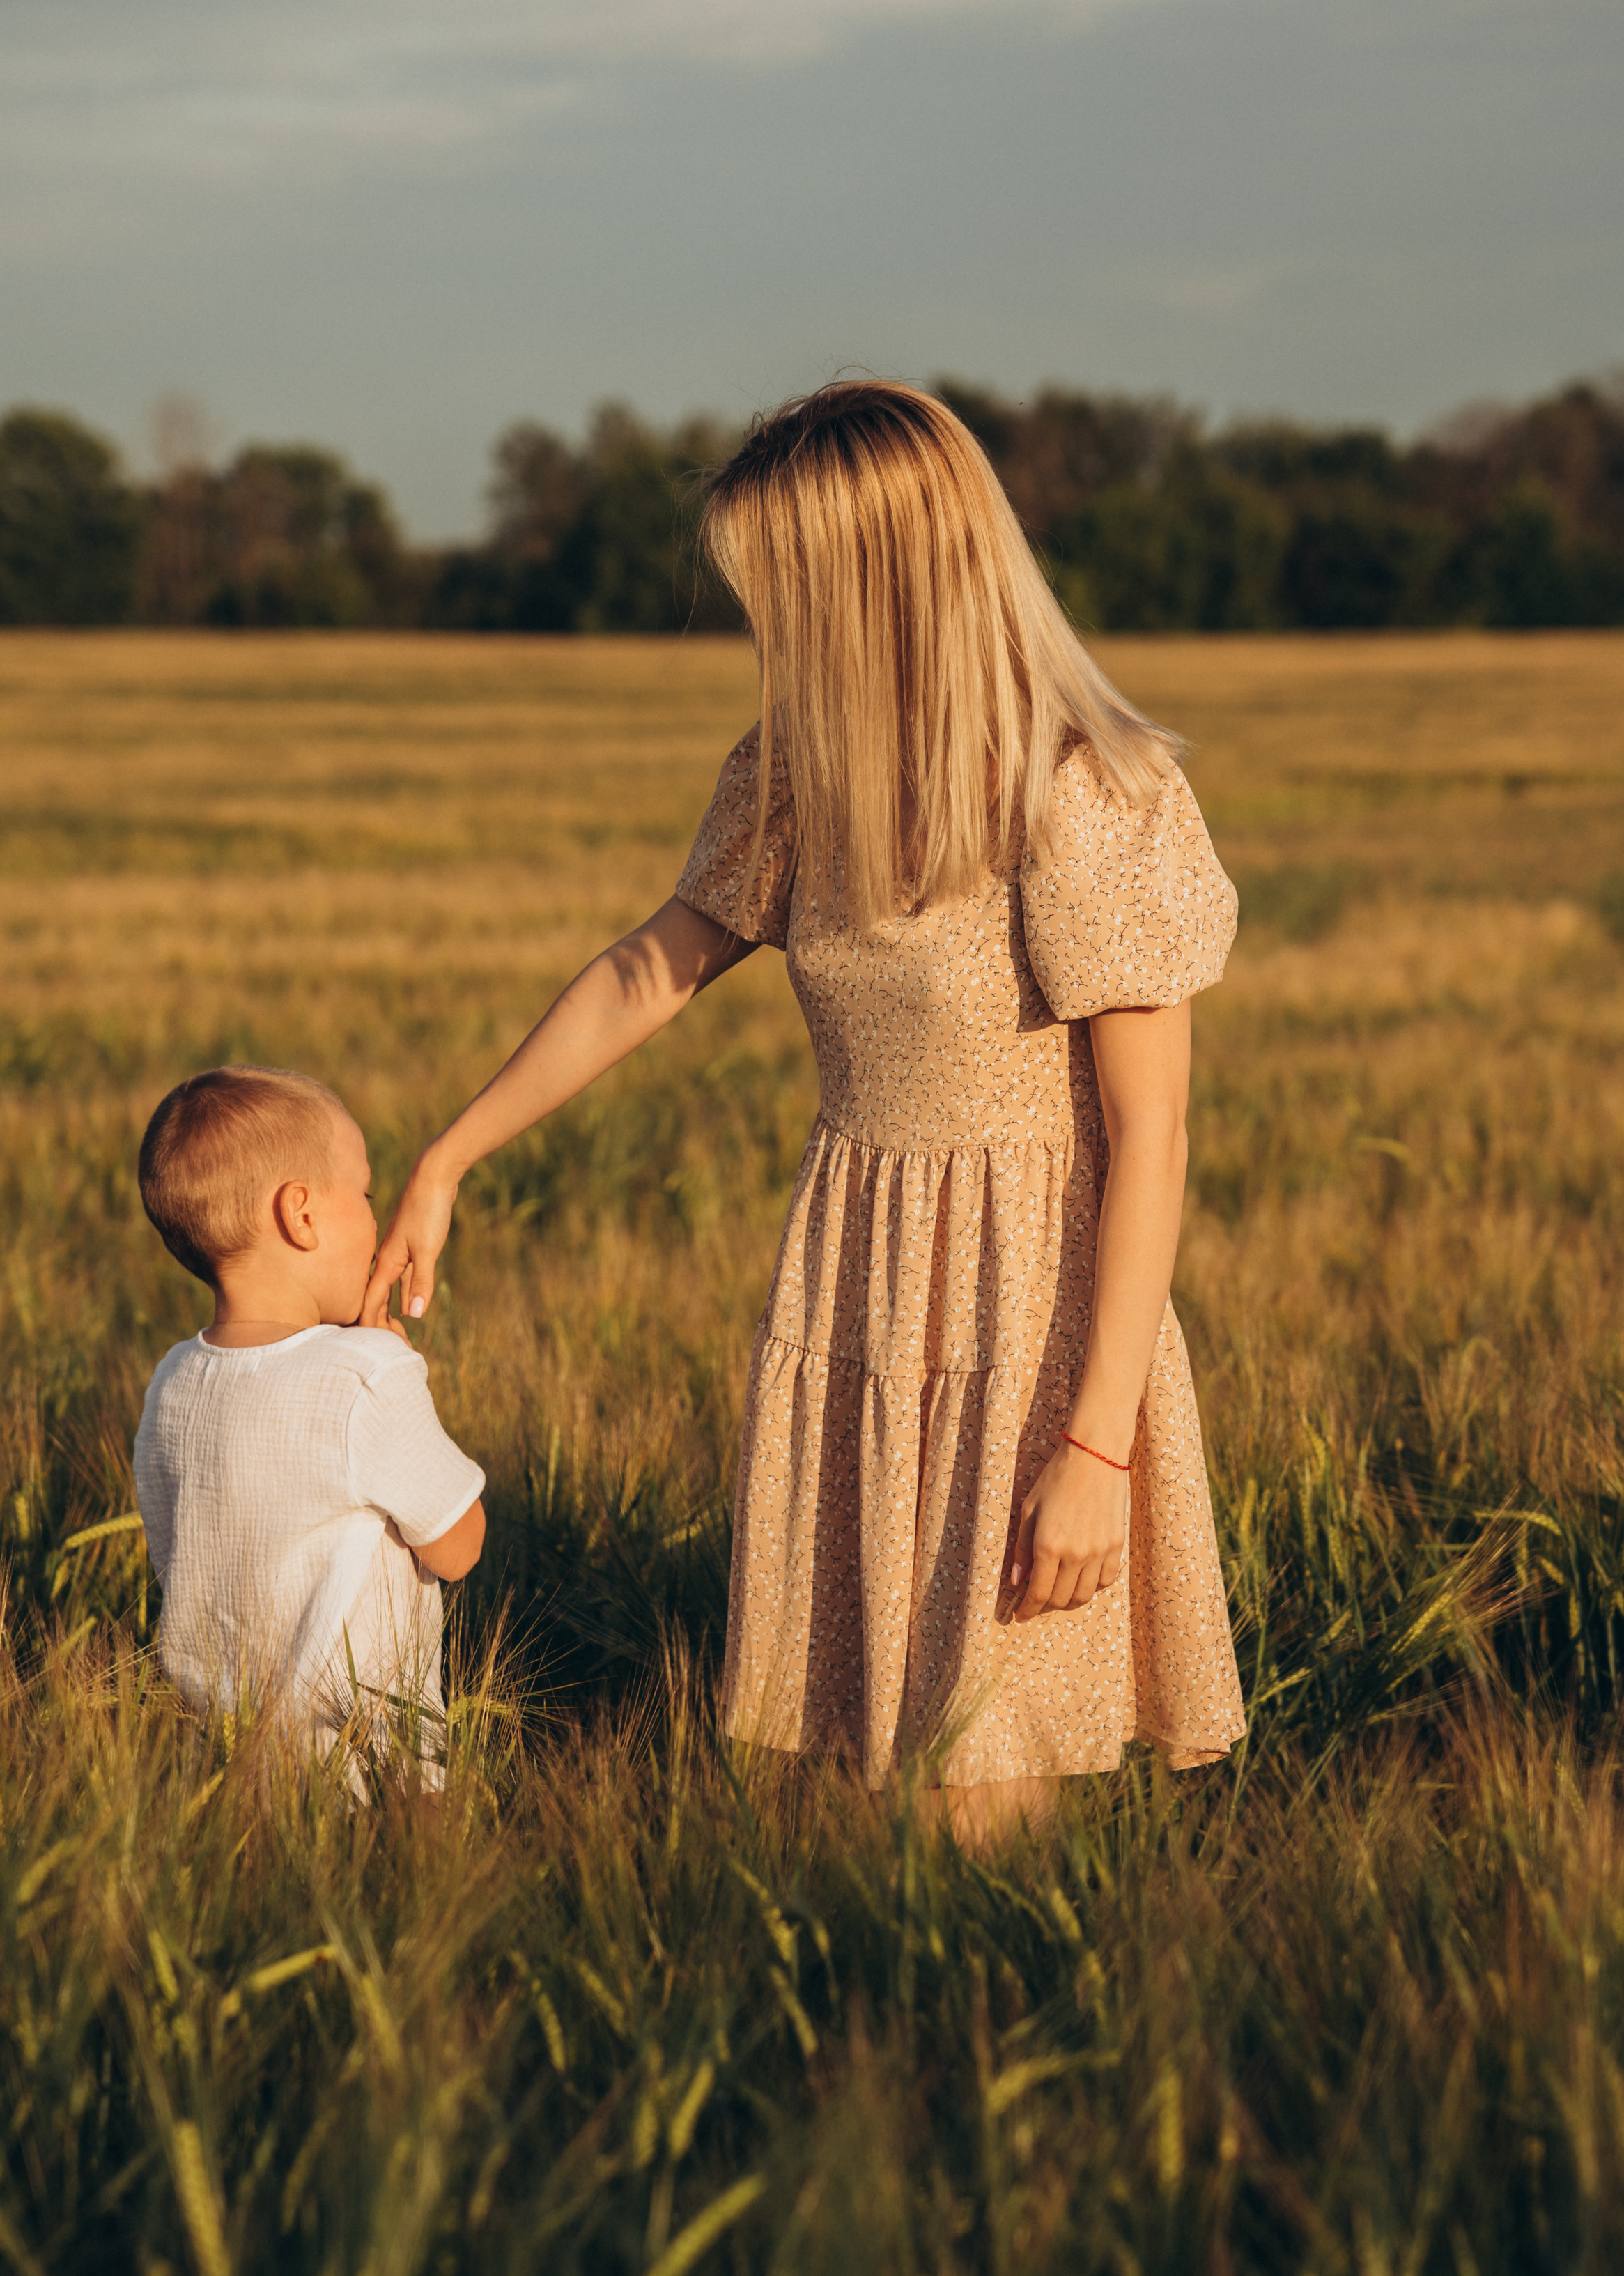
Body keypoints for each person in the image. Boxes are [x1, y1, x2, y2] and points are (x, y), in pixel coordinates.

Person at [364, 380, 1245, 1843]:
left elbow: (1150, 1138)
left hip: (1030, 1325)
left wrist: (1096, 1449)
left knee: (981, 1790)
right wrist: (450, 1156)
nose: (763, 620)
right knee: (840, 1794)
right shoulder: (796, 775)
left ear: (877, 579)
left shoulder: (1081, 791)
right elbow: (648, 972)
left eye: (782, 585)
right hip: (856, 1289)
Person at [134, 1063, 485, 1783]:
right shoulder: (366, 1374)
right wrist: (395, 1366)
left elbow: (174, 1558)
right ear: (301, 1214)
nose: (376, 1219)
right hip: (370, 1768)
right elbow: (459, 1548)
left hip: (220, 1767)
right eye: (365, 1193)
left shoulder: (170, 1381)